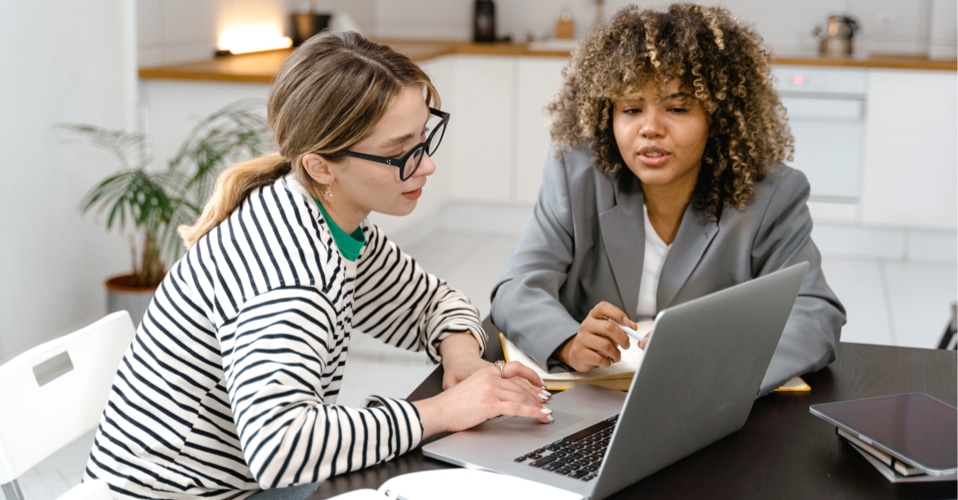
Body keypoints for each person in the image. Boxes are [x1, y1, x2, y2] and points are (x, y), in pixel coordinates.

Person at [83, 31, 552, 500]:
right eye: (400, 153)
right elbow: (280, 447)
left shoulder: (325, 220)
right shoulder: (291, 272)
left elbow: (432, 301)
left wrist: (464, 361)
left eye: (424, 139)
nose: (426, 165)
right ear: (321, 166)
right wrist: (443, 411)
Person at [490, 4, 846, 396]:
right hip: (589, 402)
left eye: (677, 108)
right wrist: (567, 341)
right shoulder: (577, 176)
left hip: (704, 409)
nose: (650, 129)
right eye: (631, 109)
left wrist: (719, 366)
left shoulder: (769, 194)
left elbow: (815, 316)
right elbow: (516, 287)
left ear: (717, 116)